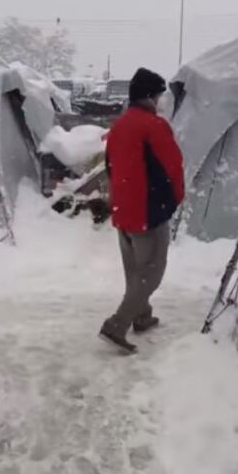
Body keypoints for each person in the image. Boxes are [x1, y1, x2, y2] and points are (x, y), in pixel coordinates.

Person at [98, 68, 185, 353]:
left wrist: (119, 199)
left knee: (135, 270)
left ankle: (142, 315)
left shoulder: (120, 125)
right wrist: (174, 200)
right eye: (159, 95)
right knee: (151, 272)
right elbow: (172, 166)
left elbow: (110, 166)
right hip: (149, 213)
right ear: (149, 96)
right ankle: (117, 323)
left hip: (124, 210)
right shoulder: (154, 126)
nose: (160, 101)